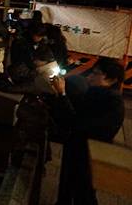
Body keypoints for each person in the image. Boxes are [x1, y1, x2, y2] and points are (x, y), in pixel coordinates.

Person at [50, 57, 126, 205]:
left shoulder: (111, 103)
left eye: (95, 74)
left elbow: (76, 123)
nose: (89, 77)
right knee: (67, 186)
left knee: (83, 193)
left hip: (87, 154)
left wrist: (63, 95)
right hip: (77, 149)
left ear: (111, 79)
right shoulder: (97, 94)